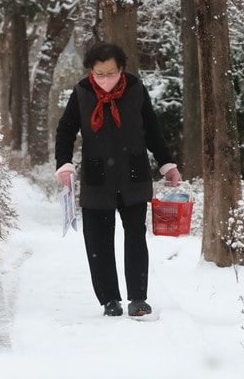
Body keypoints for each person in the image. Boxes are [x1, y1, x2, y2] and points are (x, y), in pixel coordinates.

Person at [55, 41, 181, 317]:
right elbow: (65, 130)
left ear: (121, 69)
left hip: (133, 173)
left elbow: (152, 130)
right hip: (97, 174)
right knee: (98, 240)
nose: (105, 79)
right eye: (99, 73)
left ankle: (138, 298)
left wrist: (167, 165)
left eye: (111, 72)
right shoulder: (82, 92)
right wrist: (64, 164)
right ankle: (109, 299)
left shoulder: (135, 89)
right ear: (91, 71)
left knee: (135, 236)